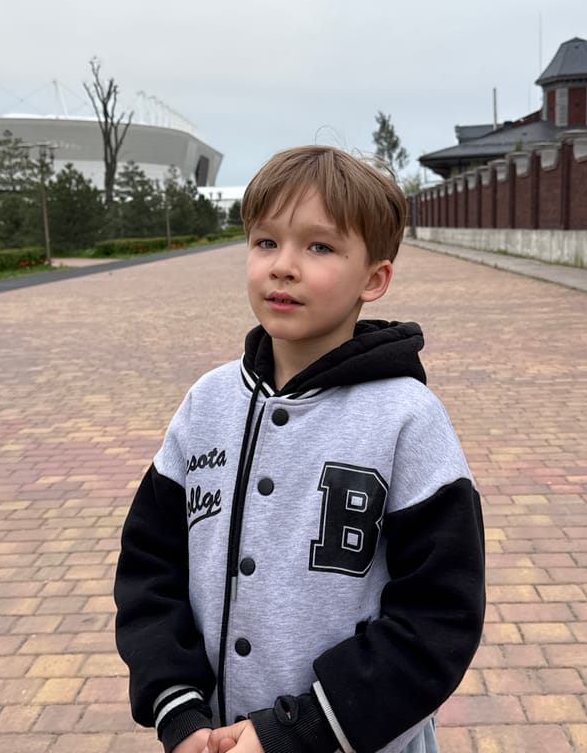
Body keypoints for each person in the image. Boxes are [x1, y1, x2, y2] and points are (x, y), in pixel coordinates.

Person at [114, 145, 485, 753]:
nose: (283, 266)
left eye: (319, 246)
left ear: (375, 278)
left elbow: (439, 616)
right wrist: (177, 711)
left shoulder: (407, 420)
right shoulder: (205, 405)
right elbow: (150, 570)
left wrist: (302, 730)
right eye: (266, 242)